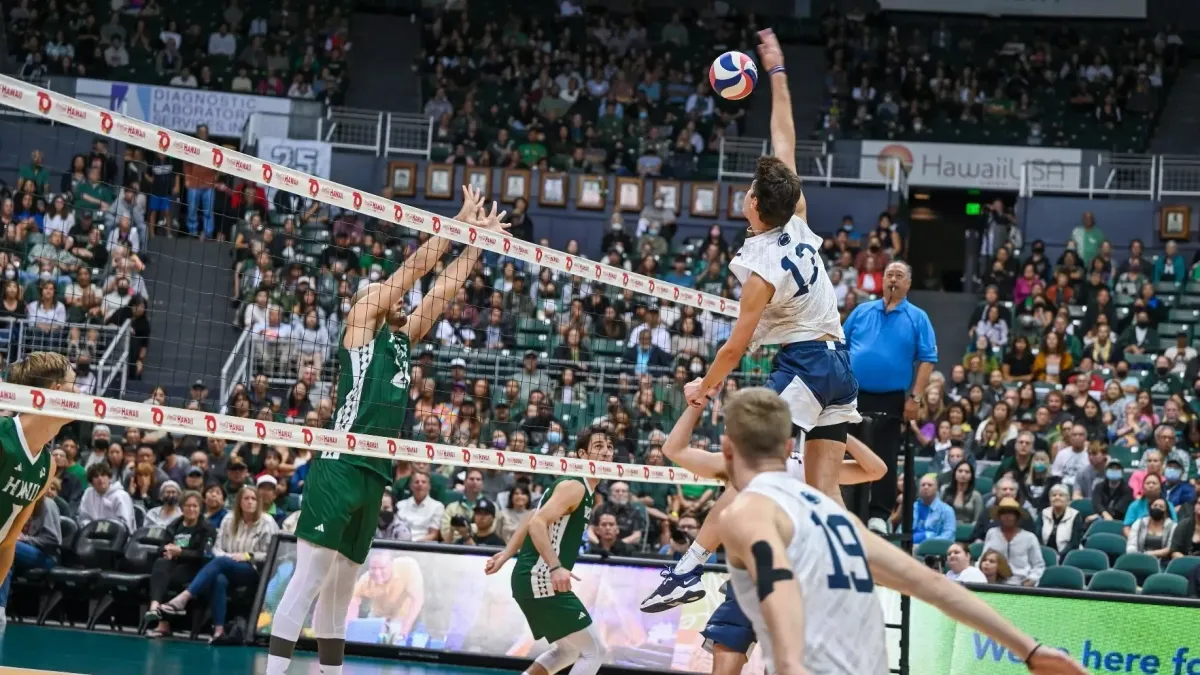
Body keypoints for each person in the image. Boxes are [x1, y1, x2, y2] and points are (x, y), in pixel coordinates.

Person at [266, 187, 506, 675]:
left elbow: (441, 291)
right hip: (339, 461)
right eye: (388, 294)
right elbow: (411, 275)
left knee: (341, 585)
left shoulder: (404, 339)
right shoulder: (360, 325)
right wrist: (455, 226)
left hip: (375, 471)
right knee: (310, 577)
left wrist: (477, 244)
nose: (399, 298)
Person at [712, 387, 1084, 675]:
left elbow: (779, 585)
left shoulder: (747, 511)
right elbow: (933, 586)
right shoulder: (836, 516)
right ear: (790, 446)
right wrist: (1029, 650)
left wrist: (791, 665)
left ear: (727, 449)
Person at [683, 30, 860, 517]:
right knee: (827, 493)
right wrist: (777, 71)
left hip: (806, 362)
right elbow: (786, 135)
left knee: (746, 462)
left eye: (750, 189)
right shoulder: (796, 214)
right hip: (839, 363)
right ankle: (848, 578)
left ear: (755, 204)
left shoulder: (759, 265)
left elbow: (736, 346)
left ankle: (695, 565)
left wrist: (705, 387)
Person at [639, 395, 885, 632]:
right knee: (729, 653)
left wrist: (834, 431)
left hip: (804, 572)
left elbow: (876, 470)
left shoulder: (809, 465)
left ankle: (689, 568)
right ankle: (689, 572)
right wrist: (697, 402)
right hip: (756, 572)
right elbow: (673, 450)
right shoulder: (737, 464)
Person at [483, 427, 614, 675]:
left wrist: (505, 553)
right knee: (595, 650)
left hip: (532, 578)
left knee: (568, 651)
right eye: (599, 447)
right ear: (583, 454)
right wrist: (555, 566)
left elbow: (534, 515)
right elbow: (536, 523)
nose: (606, 452)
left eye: (609, 446)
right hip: (539, 577)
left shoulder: (581, 488)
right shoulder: (574, 486)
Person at [0, 351, 78, 617]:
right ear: (57, 391)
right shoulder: (2, 436)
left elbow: (8, 542)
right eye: (74, 386)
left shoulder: (47, 466)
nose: (81, 395)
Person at [155, 486, 278, 643]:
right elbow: (217, 548)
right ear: (239, 501)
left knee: (219, 564)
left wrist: (247, 555)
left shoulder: (267, 522)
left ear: (258, 502)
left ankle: (184, 598)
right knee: (219, 579)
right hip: (227, 564)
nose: (249, 502)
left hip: (253, 570)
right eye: (246, 498)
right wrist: (228, 557)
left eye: (253, 499)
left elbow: (271, 553)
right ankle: (218, 631)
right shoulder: (229, 519)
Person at [144, 490, 215, 637]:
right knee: (160, 563)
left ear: (200, 508)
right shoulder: (174, 525)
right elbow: (161, 546)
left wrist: (181, 552)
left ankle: (162, 623)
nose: (191, 509)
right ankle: (155, 606)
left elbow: (205, 556)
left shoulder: (207, 528)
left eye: (195, 506)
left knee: (165, 576)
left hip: (195, 568)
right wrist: (167, 550)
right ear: (182, 508)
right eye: (188, 506)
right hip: (173, 564)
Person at [982, 498, 1046, 587]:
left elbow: (1038, 565)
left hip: (1022, 584)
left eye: (1011, 513)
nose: (1007, 516)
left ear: (1017, 516)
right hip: (995, 583)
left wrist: (1032, 580)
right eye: (1003, 513)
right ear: (999, 516)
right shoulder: (992, 533)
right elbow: (983, 558)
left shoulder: (1029, 537)